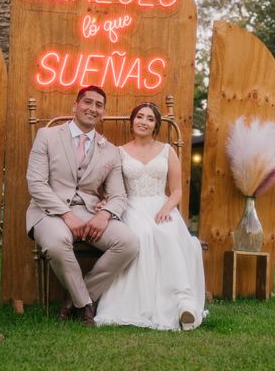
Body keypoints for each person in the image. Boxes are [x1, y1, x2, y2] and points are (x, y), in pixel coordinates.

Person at [26, 85, 139, 326]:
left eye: (99, 105)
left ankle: (75, 299)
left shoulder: (110, 151)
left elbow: (119, 195)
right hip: (49, 211)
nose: (92, 108)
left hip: (89, 213)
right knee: (57, 243)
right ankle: (85, 307)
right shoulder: (47, 136)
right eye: (87, 102)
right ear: (75, 106)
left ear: (103, 113)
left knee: (129, 243)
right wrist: (66, 214)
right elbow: (36, 184)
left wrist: (105, 215)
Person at [94, 102, 206, 331]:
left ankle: (182, 302)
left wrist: (167, 207)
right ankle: (140, 304)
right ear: (132, 121)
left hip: (161, 203)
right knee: (143, 235)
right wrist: (107, 200)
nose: (143, 122)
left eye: (150, 119)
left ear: (156, 125)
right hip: (131, 206)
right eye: (139, 117)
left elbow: (177, 190)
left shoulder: (167, 150)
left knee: (168, 233)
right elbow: (113, 187)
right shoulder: (120, 152)